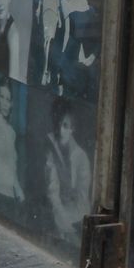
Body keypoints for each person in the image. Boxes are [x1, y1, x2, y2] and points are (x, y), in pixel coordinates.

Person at [45, 98, 92, 240]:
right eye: (59, 124)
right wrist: (61, 219)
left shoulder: (81, 157)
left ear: (72, 129)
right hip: (59, 216)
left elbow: (82, 201)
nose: (61, 130)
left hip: (78, 220)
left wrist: (69, 228)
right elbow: (52, 191)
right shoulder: (51, 147)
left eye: (66, 126)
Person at [59, 0, 101, 100]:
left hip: (86, 65)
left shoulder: (92, 10)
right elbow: (65, 35)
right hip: (69, 60)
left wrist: (92, 58)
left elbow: (97, 40)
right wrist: (62, 61)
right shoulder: (66, 2)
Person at [34, 0, 65, 88]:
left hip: (53, 7)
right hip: (46, 5)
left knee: (50, 40)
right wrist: (39, 7)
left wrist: (59, 15)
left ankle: (45, 72)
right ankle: (45, 71)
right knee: (46, 40)